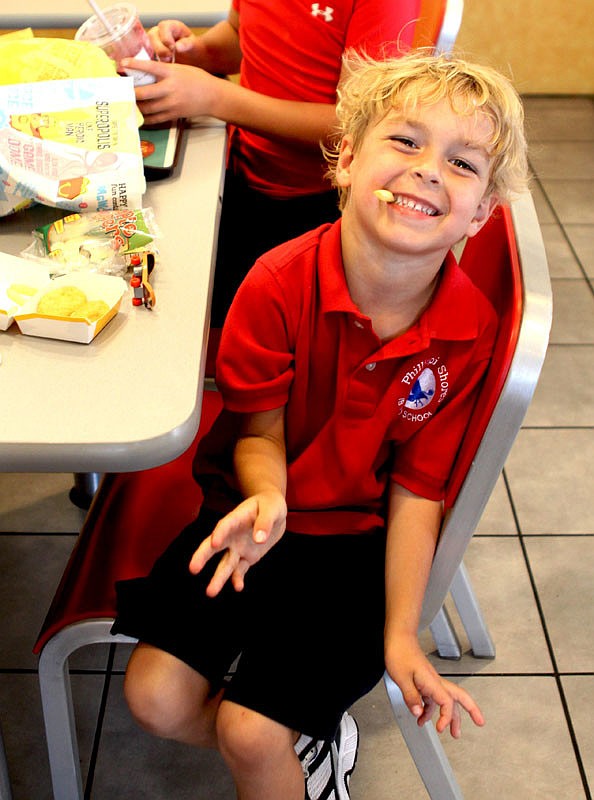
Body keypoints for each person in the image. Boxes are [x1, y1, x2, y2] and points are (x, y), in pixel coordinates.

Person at [112, 51, 529, 800]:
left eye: (461, 163)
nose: (428, 169)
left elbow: (417, 491)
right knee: (153, 699)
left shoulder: (469, 328)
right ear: (343, 161)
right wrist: (267, 498)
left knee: (249, 731)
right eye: (403, 141)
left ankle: (283, 748)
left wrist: (401, 630)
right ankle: (308, 740)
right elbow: (256, 433)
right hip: (245, 515)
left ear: (482, 210)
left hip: (349, 551)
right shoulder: (274, 282)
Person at [120, 0, 421, 324]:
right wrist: (191, 52)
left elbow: (356, 128)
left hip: (315, 205)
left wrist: (214, 97)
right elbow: (239, 35)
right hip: (234, 171)